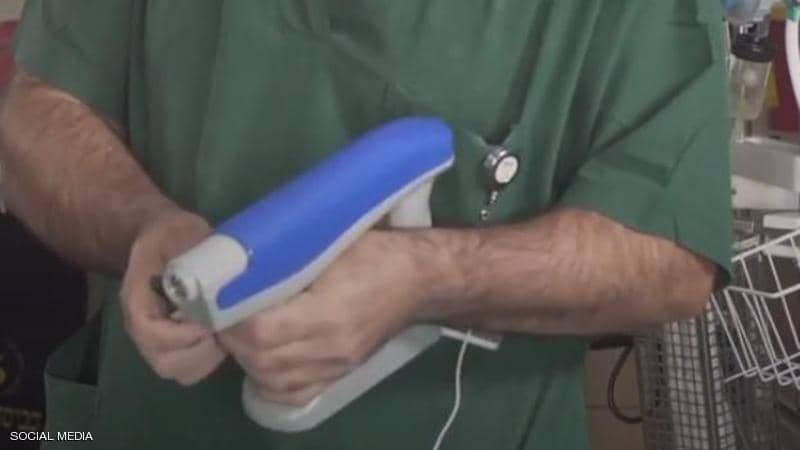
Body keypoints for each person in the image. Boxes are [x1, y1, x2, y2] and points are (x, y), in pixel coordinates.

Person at [0, 0, 732, 449]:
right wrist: (142, 226)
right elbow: (39, 114)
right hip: (156, 425)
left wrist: (429, 277)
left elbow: (669, 252)